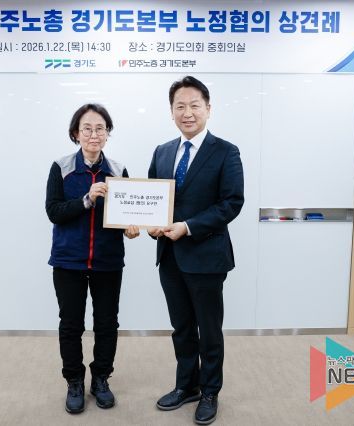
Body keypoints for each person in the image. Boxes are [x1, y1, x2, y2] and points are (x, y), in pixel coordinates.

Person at [147, 76, 244, 425]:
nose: (187, 113)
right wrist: (152, 224)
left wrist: (187, 226)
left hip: (206, 256)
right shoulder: (162, 151)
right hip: (170, 257)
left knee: (209, 329)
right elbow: (152, 200)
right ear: (171, 111)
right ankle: (186, 385)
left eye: (194, 105)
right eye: (180, 106)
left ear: (208, 109)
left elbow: (231, 203)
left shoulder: (226, 151)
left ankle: (210, 391)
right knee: (182, 327)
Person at [46, 103, 140, 414]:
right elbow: (54, 211)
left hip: (107, 261)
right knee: (71, 324)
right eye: (87, 128)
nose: (94, 134)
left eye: (100, 128)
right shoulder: (61, 167)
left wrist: (130, 228)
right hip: (68, 261)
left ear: (107, 133)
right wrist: (86, 199)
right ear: (76, 133)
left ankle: (101, 379)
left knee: (107, 324)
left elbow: (126, 213)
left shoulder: (118, 170)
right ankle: (74, 381)